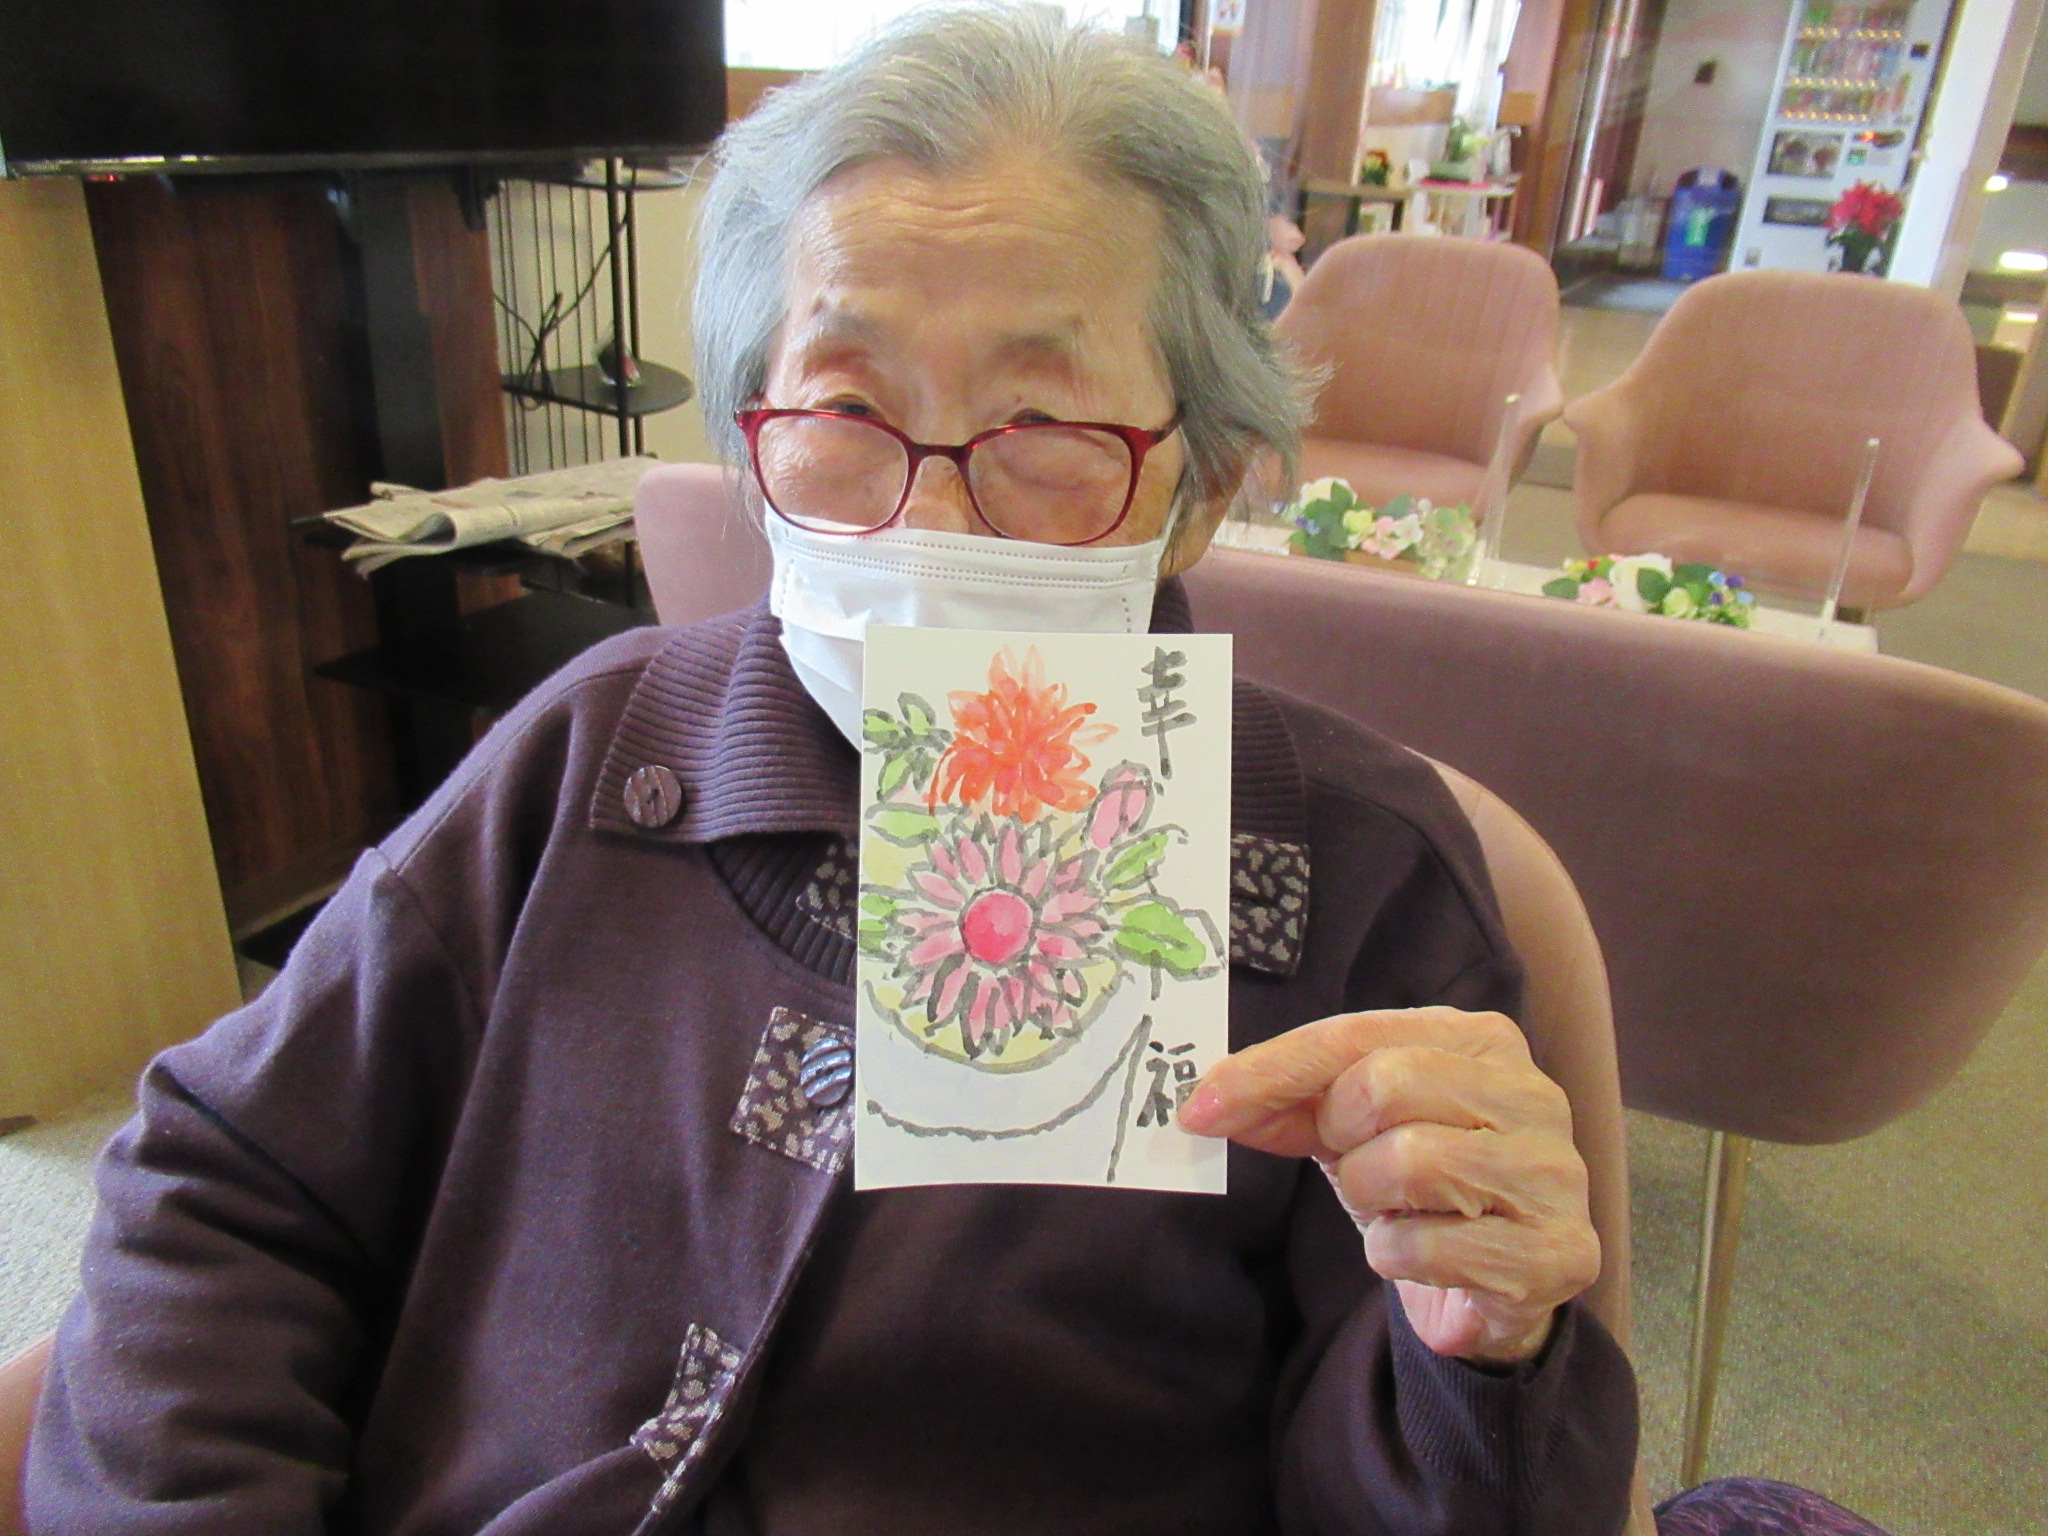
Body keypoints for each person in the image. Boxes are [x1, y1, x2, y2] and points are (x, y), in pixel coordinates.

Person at [26, 9, 1638, 1533]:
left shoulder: (1357, 883)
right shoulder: (588, 763)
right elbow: (232, 1184)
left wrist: (1479, 1351)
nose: (923, 521)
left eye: (1041, 423)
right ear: (753, 439)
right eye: (845, 408)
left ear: (1201, 485)